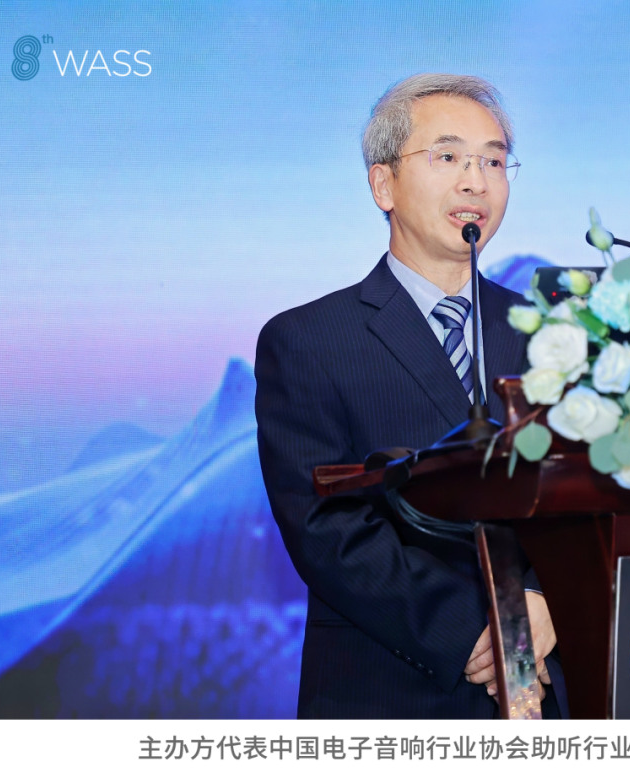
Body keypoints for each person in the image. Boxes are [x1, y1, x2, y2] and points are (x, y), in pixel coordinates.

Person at [254, 74, 566, 719]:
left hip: (546, 675)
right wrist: (478, 629)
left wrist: (543, 601)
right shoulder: (309, 339)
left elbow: (584, 496)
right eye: (448, 157)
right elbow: (326, 528)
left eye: (493, 161)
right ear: (383, 185)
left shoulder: (551, 334)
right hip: (393, 688)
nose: (475, 182)